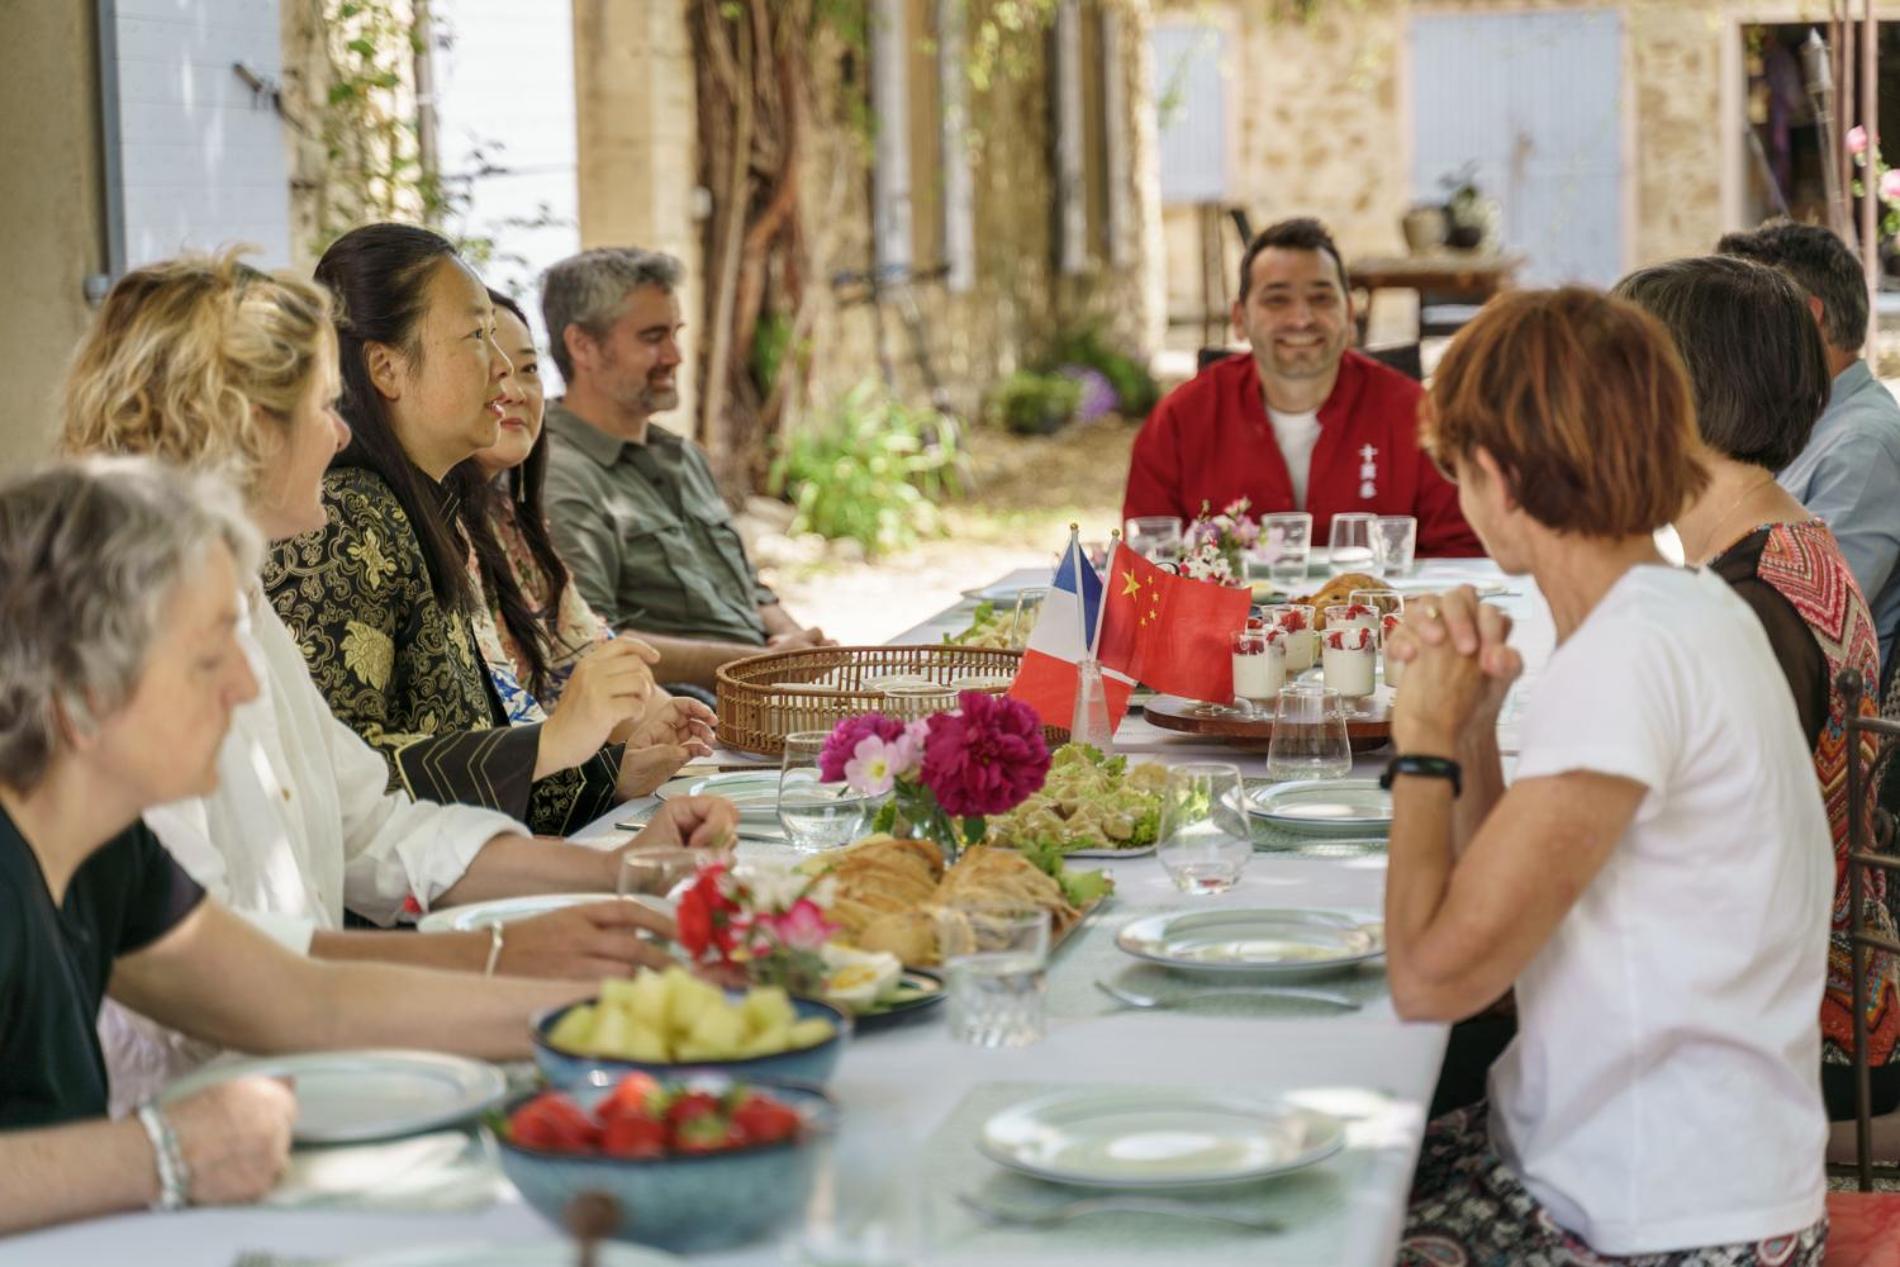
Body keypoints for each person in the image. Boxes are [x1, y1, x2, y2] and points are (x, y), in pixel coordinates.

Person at [57, 253, 735, 1108]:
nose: (341, 433)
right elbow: (215, 963)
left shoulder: (245, 600)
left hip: (300, 1074)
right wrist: (514, 968)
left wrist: (616, 872)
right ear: (244, 428)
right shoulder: (124, 641)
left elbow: (371, 825)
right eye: (322, 408)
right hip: (201, 1115)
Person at [0, 458, 607, 1234]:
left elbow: (303, 1000)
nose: (247, 689)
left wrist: (603, 1016)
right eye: (210, 655)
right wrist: (159, 1154)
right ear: (85, 696)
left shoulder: (107, 850)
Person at [1385, 288, 1829, 1263]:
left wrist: (1418, 742)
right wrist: (1472, 731)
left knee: (1291, 1225)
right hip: (1667, 1165)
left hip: (1664, 1214)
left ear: (1499, 477)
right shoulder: (1684, 609)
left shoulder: (1628, 656)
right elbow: (1495, 932)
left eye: (1455, 471)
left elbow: (1430, 978)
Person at [265, 224, 706, 836]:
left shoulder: (429, 512)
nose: (503, 372)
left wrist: (613, 775)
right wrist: (551, 741)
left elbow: (463, 758)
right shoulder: (342, 523)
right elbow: (336, 777)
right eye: (477, 337)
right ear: (388, 369)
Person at [1618, 253, 1900, 1122]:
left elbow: (1694, 900)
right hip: (1808, 989)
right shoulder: (1786, 545)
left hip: (1791, 1038)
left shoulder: (1755, 604)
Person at [538, 247, 833, 689]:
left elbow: (750, 591)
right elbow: (593, 644)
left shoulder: (681, 455)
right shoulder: (559, 477)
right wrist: (759, 666)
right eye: (653, 337)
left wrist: (798, 648)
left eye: (675, 333)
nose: (676, 355)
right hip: (691, 734)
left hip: (760, 700)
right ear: (582, 345)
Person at [1121, 217, 1481, 557]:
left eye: (1321, 298)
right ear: (1239, 319)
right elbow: (1148, 561)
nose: (1301, 319)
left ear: (1350, 315)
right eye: (1277, 299)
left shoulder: (1416, 414)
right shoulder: (1181, 421)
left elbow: (1465, 554)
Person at [1718, 219, 1900, 677]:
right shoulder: (1815, 427)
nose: (1734, 344)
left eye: (1746, 320)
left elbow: (1802, 625)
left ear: (1808, 315)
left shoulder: (1862, 445)